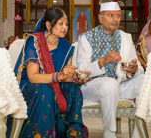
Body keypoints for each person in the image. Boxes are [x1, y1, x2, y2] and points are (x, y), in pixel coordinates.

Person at [7, 7, 89, 138]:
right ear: (49, 25)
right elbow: (33, 77)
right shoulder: (34, 42)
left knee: (74, 89)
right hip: (31, 86)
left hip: (55, 83)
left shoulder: (66, 47)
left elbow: (65, 76)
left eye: (66, 24)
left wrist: (75, 78)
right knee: (45, 91)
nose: (65, 27)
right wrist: (59, 76)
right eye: (60, 23)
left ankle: (72, 133)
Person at [77, 2, 144, 138]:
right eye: (111, 15)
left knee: (144, 80)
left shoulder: (125, 37)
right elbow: (81, 70)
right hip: (91, 86)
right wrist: (103, 61)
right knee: (109, 84)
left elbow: (138, 68)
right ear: (101, 18)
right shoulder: (88, 38)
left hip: (120, 83)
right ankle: (110, 132)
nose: (115, 19)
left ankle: (138, 130)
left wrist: (134, 70)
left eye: (118, 16)